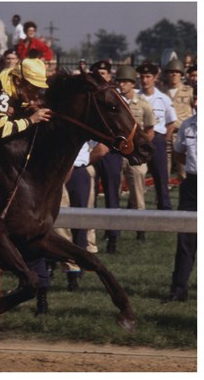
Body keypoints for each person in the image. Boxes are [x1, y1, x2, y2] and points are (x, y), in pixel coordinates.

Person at [56, 141, 108, 290]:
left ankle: (78, 267)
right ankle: (71, 269)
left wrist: (84, 160)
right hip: (57, 172)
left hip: (78, 171)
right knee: (60, 224)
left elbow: (102, 148)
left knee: (80, 223)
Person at [115, 65, 156, 241]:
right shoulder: (115, 103)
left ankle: (141, 229)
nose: (122, 85)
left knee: (138, 191)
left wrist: (139, 149)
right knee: (114, 191)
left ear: (132, 84)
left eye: (125, 82)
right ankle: (113, 229)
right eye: (119, 81)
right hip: (117, 152)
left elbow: (150, 130)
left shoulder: (143, 104)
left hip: (135, 154)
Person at [163, 112, 197, 303]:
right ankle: (178, 290)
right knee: (185, 239)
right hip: (192, 186)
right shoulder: (188, 124)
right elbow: (179, 152)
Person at [90, 60, 123, 253]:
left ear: (110, 76)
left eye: (104, 72)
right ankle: (88, 236)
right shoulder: (89, 99)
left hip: (110, 152)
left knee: (112, 195)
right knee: (90, 197)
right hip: (91, 152)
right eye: (97, 73)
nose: (101, 76)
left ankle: (113, 237)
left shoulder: (116, 98)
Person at [137, 61, 177, 210]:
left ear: (155, 78)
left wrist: (162, 141)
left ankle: (164, 208)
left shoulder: (163, 99)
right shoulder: (136, 97)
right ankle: (135, 208)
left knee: (161, 177)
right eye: (142, 77)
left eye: (148, 76)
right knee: (136, 176)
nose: (145, 80)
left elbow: (171, 123)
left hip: (157, 140)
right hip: (138, 141)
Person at [163, 59, 195, 182]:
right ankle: (162, 198)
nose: (174, 75)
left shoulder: (189, 91)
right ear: (167, 74)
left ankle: (187, 196)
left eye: (177, 72)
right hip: (166, 133)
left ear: (181, 74)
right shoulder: (162, 92)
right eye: (171, 72)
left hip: (183, 134)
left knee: (184, 170)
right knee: (164, 168)